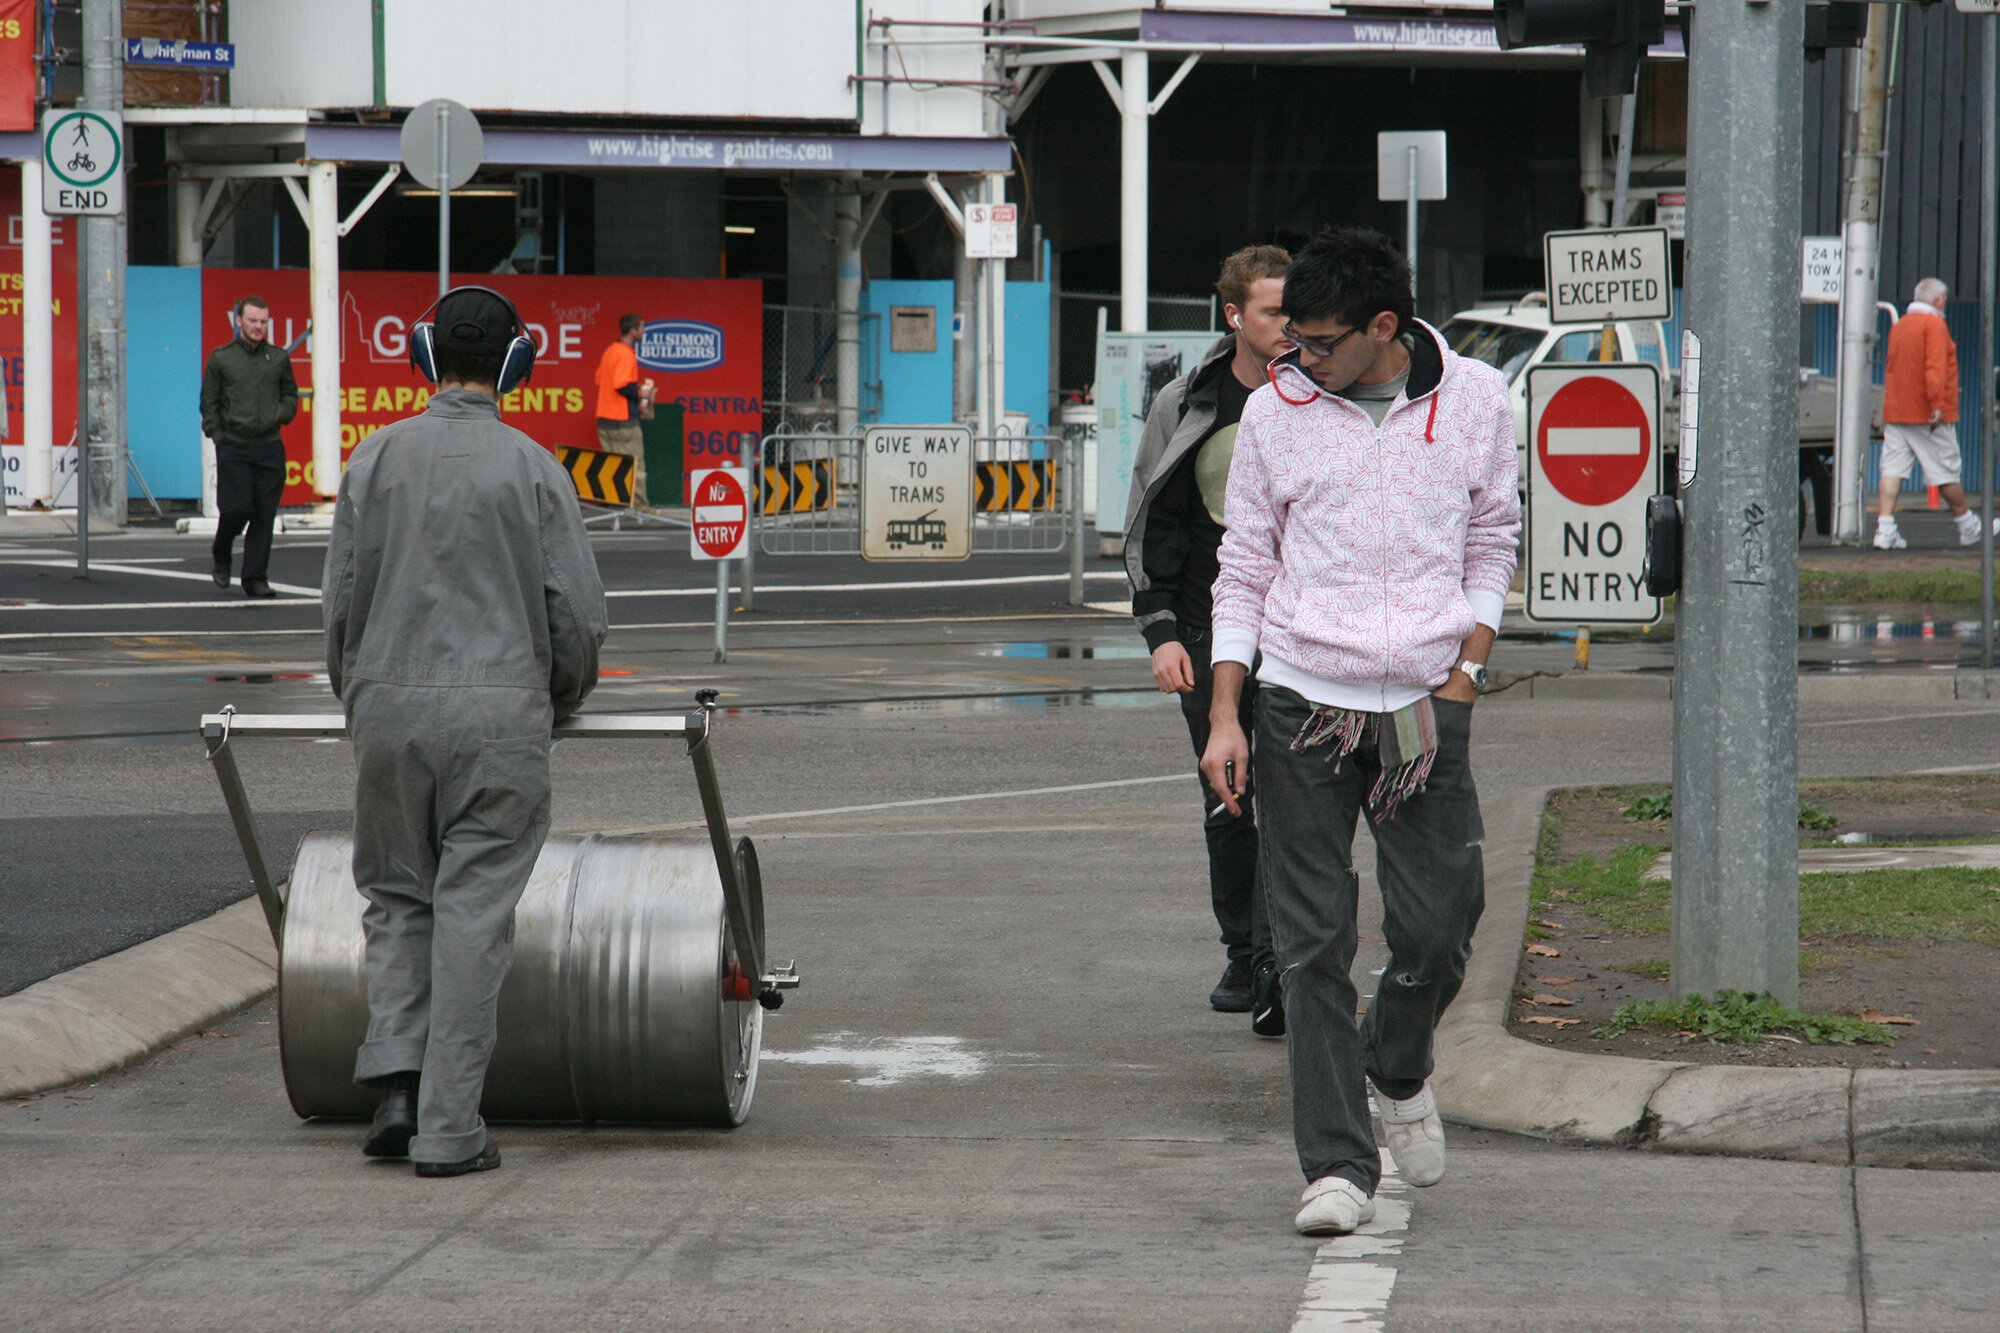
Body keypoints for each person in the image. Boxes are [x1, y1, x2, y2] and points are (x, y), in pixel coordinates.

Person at [1199, 228, 1519, 1236]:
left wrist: (1466, 668)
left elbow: (1491, 534)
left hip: (1426, 697)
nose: (1298, 358)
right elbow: (1244, 564)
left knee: (1440, 921)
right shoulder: (1272, 412)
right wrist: (1224, 711)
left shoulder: (1475, 400)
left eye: (1321, 341)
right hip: (1300, 693)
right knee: (1309, 944)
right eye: (1289, 337)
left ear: (1385, 327)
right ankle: (1335, 1164)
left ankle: (1397, 1059)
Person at [323, 286, 608, 1178]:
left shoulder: (373, 459)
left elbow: (340, 608)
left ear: (422, 354)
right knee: (474, 911)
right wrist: (553, 698)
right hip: (499, 714)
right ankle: (450, 1130)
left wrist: (364, 698)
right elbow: (577, 619)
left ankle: (398, 1086)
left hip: (388, 715)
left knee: (399, 899)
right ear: (518, 362)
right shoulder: (533, 467)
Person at [1124, 244, 1292, 1036]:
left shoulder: (1317, 394)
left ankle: (1277, 961)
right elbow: (1152, 518)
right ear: (1235, 318)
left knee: (1293, 800)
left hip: (1296, 633)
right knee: (1230, 798)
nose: (1289, 325)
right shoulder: (1186, 402)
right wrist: (1159, 628)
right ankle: (1244, 950)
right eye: (1273, 311)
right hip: (1201, 627)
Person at [1875, 278, 1992, 550]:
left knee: (1892, 469)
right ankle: (1967, 525)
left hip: (1897, 410)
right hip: (1927, 415)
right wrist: (1937, 403)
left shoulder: (1901, 325)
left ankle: (1885, 528)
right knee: (1946, 470)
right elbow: (1934, 366)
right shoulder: (1935, 325)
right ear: (1938, 300)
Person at [200, 296, 297, 597]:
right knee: (237, 507)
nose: (258, 327)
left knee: (264, 514)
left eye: (263, 321)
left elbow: (290, 395)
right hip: (235, 445)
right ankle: (222, 549)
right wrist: (218, 434)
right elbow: (209, 401)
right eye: (253, 320)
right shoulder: (221, 358)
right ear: (238, 321)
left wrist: (280, 415)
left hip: (269, 446)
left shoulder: (278, 358)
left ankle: (255, 578)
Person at [595, 313, 655, 507]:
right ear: (633, 330)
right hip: (622, 420)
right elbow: (621, 384)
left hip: (604, 419)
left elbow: (599, 381)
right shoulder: (625, 353)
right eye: (642, 328)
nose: (643, 332)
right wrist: (641, 392)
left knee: (614, 467)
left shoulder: (609, 351)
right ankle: (640, 508)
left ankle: (617, 506)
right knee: (635, 465)